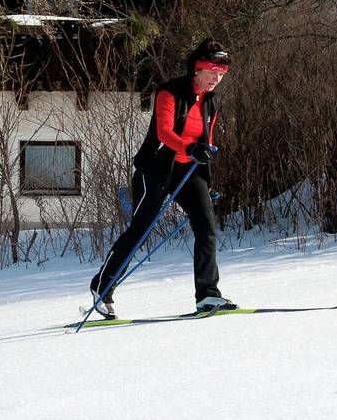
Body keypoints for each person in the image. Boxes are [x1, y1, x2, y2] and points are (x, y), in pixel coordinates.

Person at [89, 38, 236, 317]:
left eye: (221, 74)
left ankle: (207, 295)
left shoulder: (211, 103)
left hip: (189, 171)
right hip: (156, 170)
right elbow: (164, 133)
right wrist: (190, 147)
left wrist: (208, 181)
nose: (217, 78)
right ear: (197, 69)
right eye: (212, 72)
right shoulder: (170, 92)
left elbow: (207, 142)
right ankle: (102, 285)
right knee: (141, 230)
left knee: (206, 227)